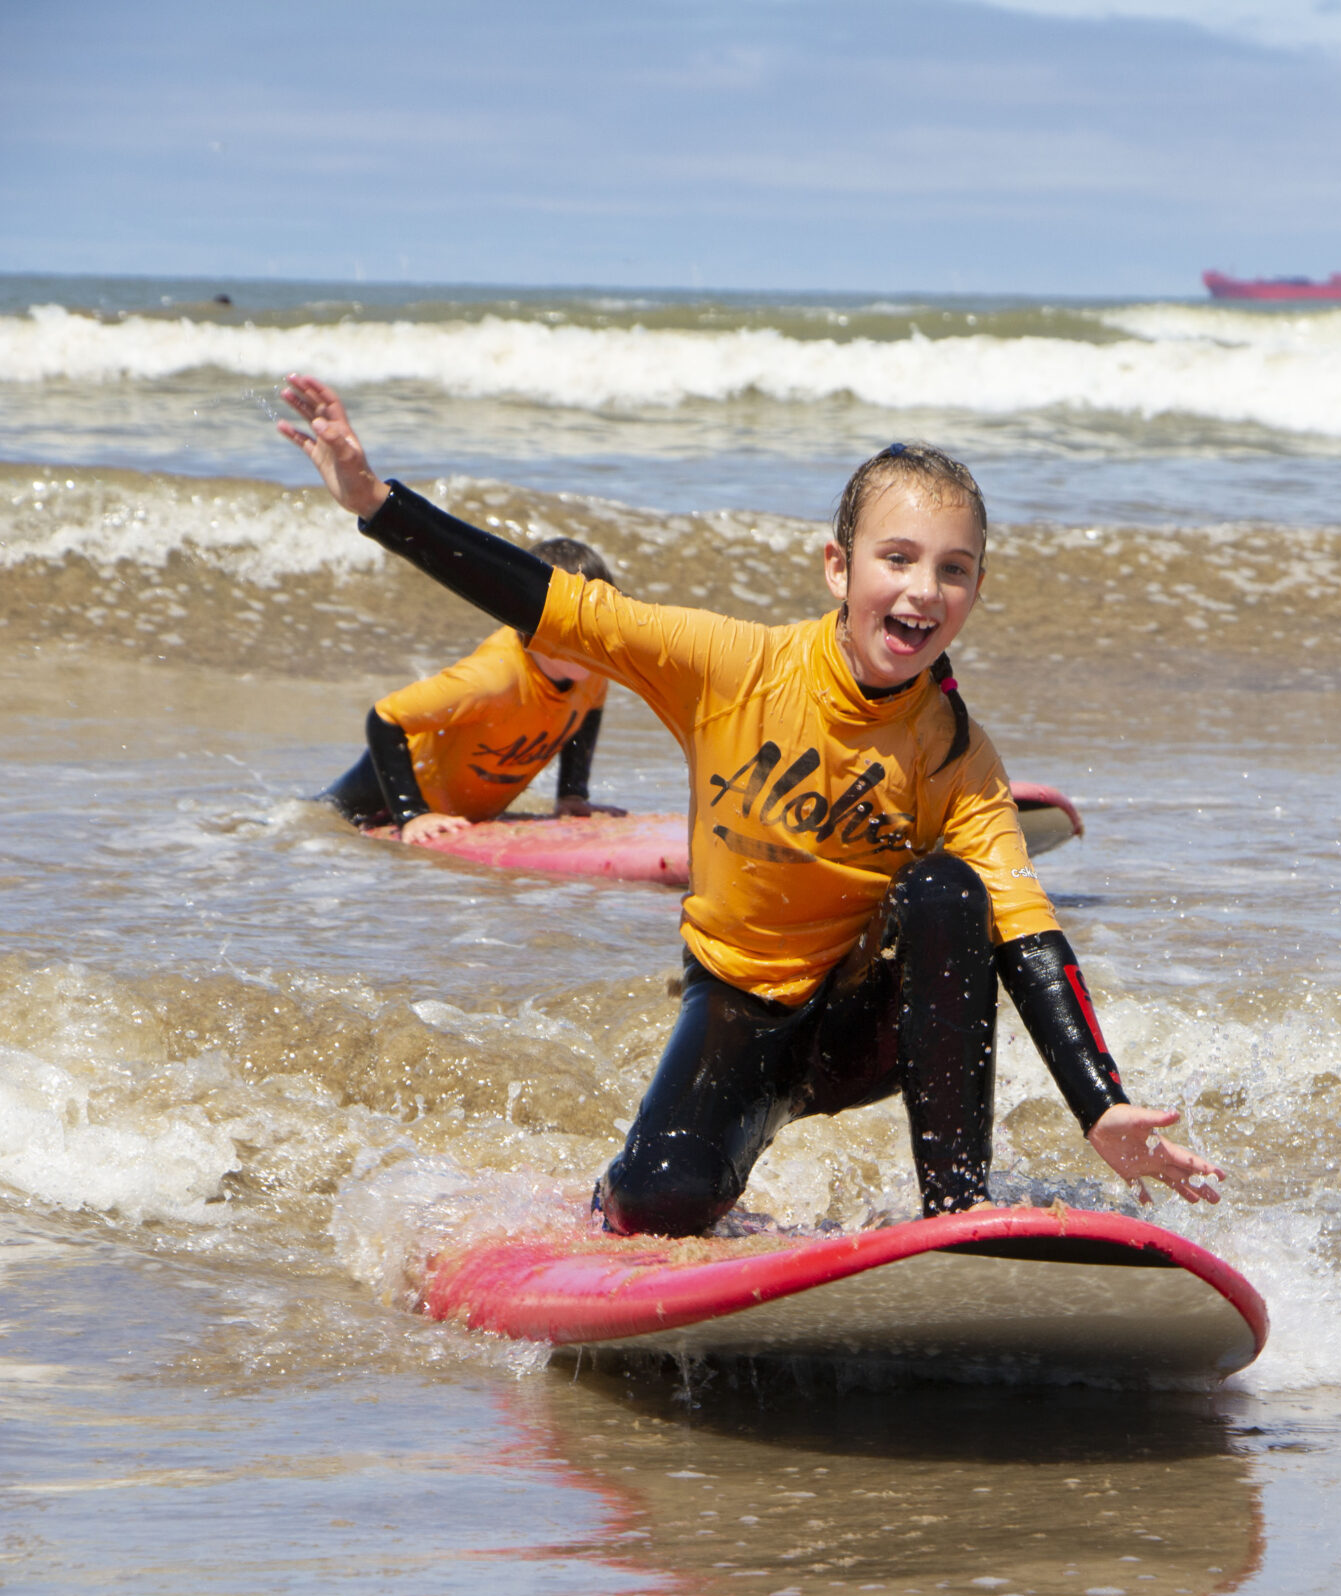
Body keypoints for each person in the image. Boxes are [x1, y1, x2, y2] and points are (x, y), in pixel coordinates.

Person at [276, 374, 1222, 1235]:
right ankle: (626, 1184)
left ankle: (954, 1210)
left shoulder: (956, 755)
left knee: (950, 891)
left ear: (975, 589)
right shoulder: (733, 665)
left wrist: (1099, 1103)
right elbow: (556, 606)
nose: (923, 590)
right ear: (837, 568)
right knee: (661, 1203)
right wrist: (376, 505)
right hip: (738, 1009)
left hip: (864, 1020)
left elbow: (1027, 930)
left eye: (954, 569)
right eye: (897, 557)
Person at [319, 537, 627, 843]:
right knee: (316, 819)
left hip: (458, 813)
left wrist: (572, 794)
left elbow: (589, 711)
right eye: (570, 623)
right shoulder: (491, 679)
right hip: (374, 806)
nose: (587, 637)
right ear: (526, 618)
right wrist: (412, 814)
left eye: (595, 618)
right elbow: (386, 717)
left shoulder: (592, 673)